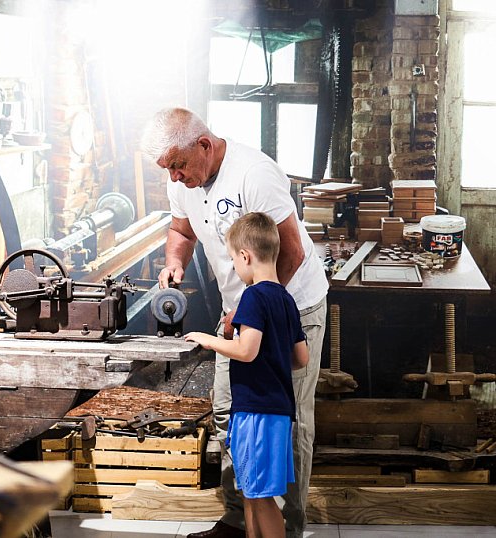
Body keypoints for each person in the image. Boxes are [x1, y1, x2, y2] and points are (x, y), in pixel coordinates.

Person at [141, 107, 328, 538]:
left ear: (204, 145)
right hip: (240, 316)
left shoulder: (255, 174)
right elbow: (183, 232)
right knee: (231, 413)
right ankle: (236, 520)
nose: (174, 177)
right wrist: (173, 263)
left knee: (288, 419)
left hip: (289, 308)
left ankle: (288, 527)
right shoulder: (185, 182)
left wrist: (252, 310)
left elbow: (292, 252)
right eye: (166, 169)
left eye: (178, 165)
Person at [185, 212, 309, 538]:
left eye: (232, 260)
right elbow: (301, 357)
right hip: (277, 411)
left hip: (256, 412)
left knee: (261, 497)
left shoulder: (252, 296)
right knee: (251, 493)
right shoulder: (286, 298)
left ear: (245, 256)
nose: (234, 268)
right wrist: (273, 361)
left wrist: (208, 339)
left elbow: (247, 350)